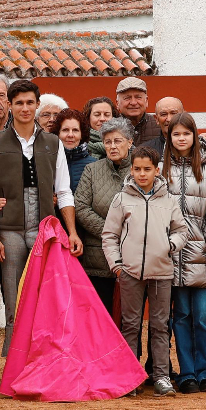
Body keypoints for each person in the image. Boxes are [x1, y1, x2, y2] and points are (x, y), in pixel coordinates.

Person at [0, 79, 82, 354]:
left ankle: (44, 359)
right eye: (19, 103)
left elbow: (63, 191)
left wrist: (71, 232)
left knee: (46, 298)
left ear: (37, 105)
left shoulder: (53, 142)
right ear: (10, 106)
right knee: (14, 300)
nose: (25, 108)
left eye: (29, 102)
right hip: (9, 228)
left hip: (44, 227)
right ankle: (15, 362)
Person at [102, 145, 180, 396]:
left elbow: (181, 231)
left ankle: (161, 376)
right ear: (131, 169)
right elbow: (109, 235)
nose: (142, 174)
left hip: (162, 273)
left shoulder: (169, 200)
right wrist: (116, 264)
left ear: (157, 171)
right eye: (137, 169)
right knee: (130, 325)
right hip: (130, 273)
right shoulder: (121, 198)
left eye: (147, 169)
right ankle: (129, 377)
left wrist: (170, 245)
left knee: (160, 326)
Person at [161, 113, 206, 393]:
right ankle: (186, 373)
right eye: (176, 134)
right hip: (170, 251)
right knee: (181, 314)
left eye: (186, 133)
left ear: (194, 135)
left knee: (202, 315)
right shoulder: (161, 166)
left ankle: (205, 371)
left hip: (202, 251)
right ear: (170, 137)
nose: (181, 138)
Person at [71, 118, 132, 315]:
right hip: (97, 258)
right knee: (100, 317)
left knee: (131, 320)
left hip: (134, 256)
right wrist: (111, 232)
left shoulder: (140, 169)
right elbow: (80, 207)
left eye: (118, 141)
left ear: (129, 142)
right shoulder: (92, 170)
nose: (112, 146)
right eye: (108, 142)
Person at [51, 109, 98, 191]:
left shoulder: (95, 165)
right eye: (65, 130)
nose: (70, 135)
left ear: (82, 134)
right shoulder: (48, 161)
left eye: (75, 130)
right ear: (58, 133)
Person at [113, 76, 162, 147]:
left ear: (146, 101)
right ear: (117, 103)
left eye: (138, 97)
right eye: (127, 98)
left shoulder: (159, 126)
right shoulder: (110, 127)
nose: (133, 102)